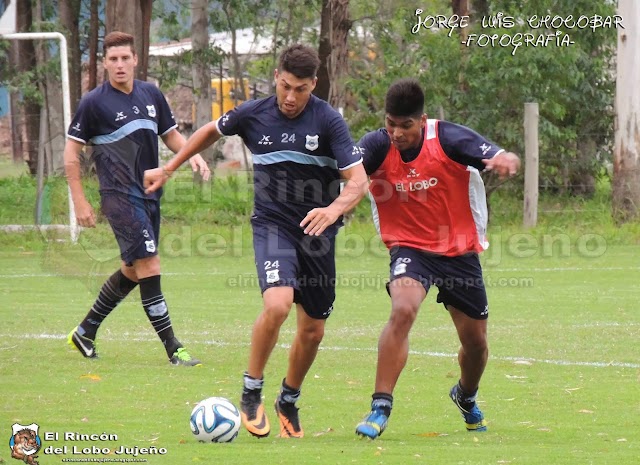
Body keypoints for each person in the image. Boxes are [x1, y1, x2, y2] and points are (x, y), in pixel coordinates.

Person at [144, 44, 368, 438]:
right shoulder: (254, 113)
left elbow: (359, 182)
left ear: (313, 84)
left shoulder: (329, 121)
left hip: (318, 233)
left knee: (314, 329)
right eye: (284, 86)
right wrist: (169, 167)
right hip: (273, 226)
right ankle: (251, 390)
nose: (290, 96)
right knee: (278, 304)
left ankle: (288, 399)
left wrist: (333, 211)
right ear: (276, 78)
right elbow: (208, 133)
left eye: (300, 88)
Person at [354, 78, 520, 439]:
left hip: (458, 251)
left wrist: (504, 158)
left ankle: (465, 394)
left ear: (422, 120)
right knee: (403, 308)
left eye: (405, 125)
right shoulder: (377, 145)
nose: (396, 133)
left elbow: (489, 152)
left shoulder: (447, 137)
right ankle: (380, 405)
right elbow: (351, 175)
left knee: (476, 344)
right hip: (409, 248)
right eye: (390, 123)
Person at [64, 31, 211, 366]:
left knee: (133, 270)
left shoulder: (151, 94)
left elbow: (171, 135)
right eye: (112, 59)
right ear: (104, 63)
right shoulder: (93, 103)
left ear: (135, 60)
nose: (119, 65)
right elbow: (71, 152)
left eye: (124, 58)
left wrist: (193, 155)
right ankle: (174, 349)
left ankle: (85, 331)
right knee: (150, 265)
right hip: (118, 196)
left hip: (149, 194)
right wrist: (80, 201)